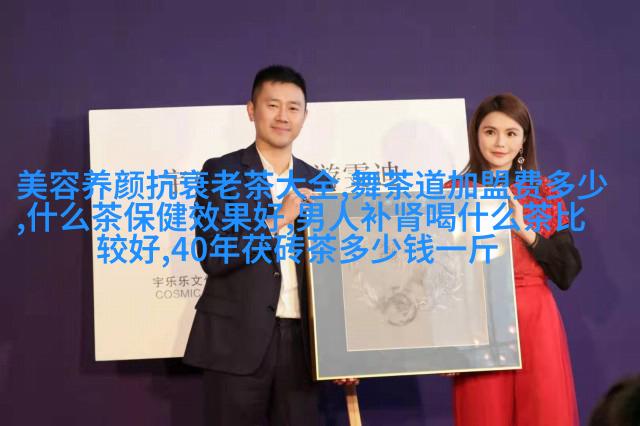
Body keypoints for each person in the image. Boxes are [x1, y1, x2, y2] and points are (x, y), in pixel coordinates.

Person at [183, 65, 322, 425]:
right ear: (251, 110)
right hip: (236, 342)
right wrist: (279, 219)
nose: (283, 116)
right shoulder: (221, 172)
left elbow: (332, 274)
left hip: (302, 347)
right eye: (272, 105)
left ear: (305, 116)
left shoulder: (320, 183)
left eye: (293, 107)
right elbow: (213, 255)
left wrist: (341, 352)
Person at [451, 93, 582, 425]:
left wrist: (526, 232)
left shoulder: (544, 192)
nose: (500, 143)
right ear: (475, 135)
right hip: (478, 323)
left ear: (524, 140)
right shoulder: (453, 192)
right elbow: (438, 273)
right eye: (490, 132)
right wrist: (446, 343)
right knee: (483, 414)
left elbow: (567, 271)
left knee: (543, 412)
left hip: (535, 321)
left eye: (511, 133)